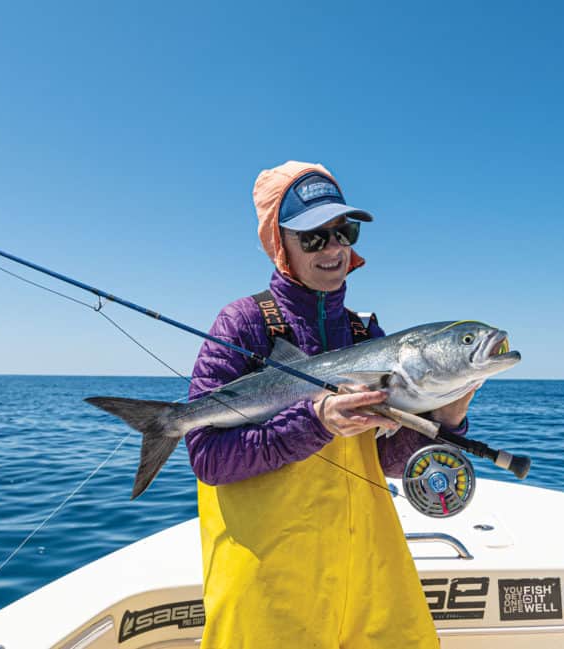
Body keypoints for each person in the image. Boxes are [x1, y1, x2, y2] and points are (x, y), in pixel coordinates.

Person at [185, 160, 476, 649]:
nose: (335, 248)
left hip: (368, 568)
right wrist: (314, 421)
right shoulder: (242, 323)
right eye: (314, 237)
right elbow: (209, 459)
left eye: (344, 231)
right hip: (269, 580)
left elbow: (387, 460)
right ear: (281, 244)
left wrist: (448, 419)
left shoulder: (366, 333)